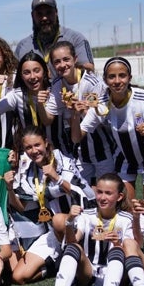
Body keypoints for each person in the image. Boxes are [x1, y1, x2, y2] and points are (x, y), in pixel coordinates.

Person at [37, 173, 134, 286]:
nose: (102, 197)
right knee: (73, 247)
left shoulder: (127, 219)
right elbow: (72, 241)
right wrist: (69, 221)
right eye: (99, 192)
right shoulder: (87, 215)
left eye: (108, 193)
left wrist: (117, 244)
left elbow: (134, 251)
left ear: (119, 196)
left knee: (118, 250)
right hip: (88, 275)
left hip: (115, 277)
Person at [7, 126, 94, 285]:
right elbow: (21, 207)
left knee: (60, 220)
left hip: (82, 221)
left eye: (37, 145)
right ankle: (55, 265)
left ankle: (77, 266)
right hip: (55, 231)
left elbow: (82, 194)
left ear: (46, 143)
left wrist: (56, 177)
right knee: (18, 277)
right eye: (28, 147)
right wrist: (9, 188)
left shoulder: (64, 161)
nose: (34, 151)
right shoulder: (29, 172)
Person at [74, 57, 144, 201]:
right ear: (105, 80)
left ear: (129, 77)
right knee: (126, 208)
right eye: (112, 77)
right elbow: (77, 137)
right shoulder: (101, 103)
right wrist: (75, 115)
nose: (117, 81)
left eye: (122, 76)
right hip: (124, 160)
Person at [46, 41, 114, 186]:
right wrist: (40, 102)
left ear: (75, 59)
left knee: (106, 191)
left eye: (66, 59)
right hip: (78, 151)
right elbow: (48, 117)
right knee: (83, 194)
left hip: (101, 147)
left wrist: (80, 112)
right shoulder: (57, 84)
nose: (62, 65)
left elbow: (102, 115)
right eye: (57, 62)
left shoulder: (92, 82)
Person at [0, 51, 51, 145]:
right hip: (30, 153)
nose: (32, 76)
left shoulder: (54, 91)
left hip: (57, 152)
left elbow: (48, 121)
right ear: (21, 76)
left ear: (45, 71)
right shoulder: (17, 94)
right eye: (26, 73)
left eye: (36, 70)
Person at [15, 0, 94, 72]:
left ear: (56, 12)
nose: (44, 18)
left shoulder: (76, 39)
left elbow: (89, 70)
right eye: (39, 14)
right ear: (32, 16)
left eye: (48, 12)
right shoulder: (22, 46)